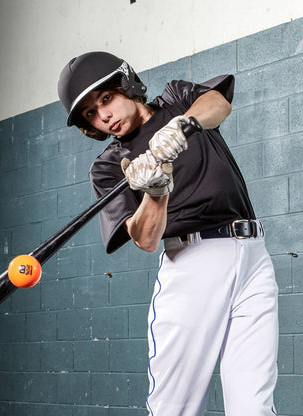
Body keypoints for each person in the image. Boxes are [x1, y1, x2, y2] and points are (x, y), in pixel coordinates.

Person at [57, 51, 279, 416]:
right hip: (192, 265)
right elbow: (144, 239)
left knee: (253, 406)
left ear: (126, 84)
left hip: (253, 256)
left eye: (106, 98)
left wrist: (182, 125)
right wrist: (156, 193)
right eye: (92, 114)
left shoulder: (175, 99)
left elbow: (219, 103)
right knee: (174, 408)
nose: (104, 115)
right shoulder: (111, 166)